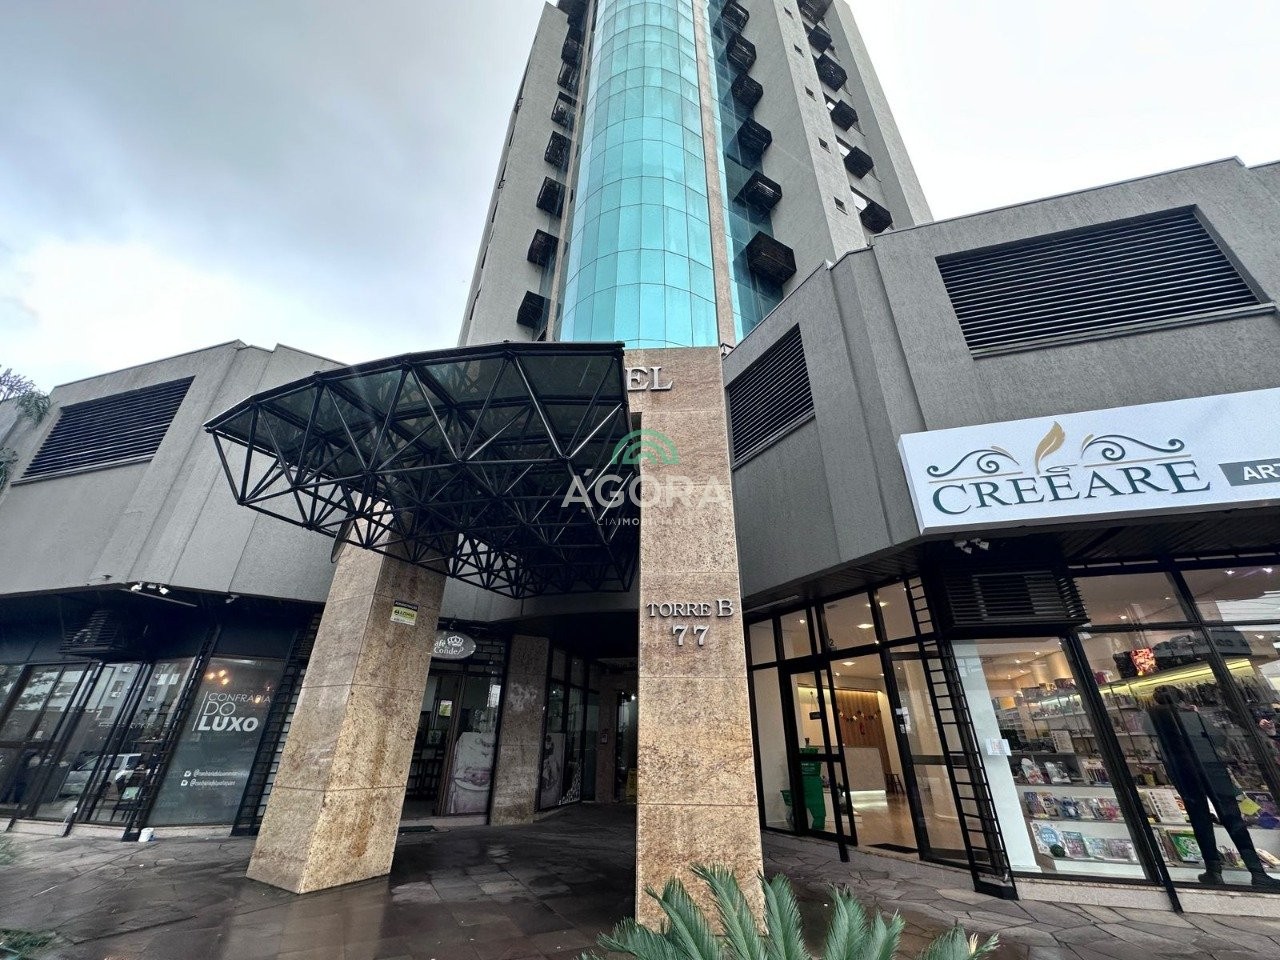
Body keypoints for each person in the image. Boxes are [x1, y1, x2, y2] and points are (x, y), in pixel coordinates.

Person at [1147, 686, 1280, 888]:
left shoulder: (1152, 717)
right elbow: (1219, 739)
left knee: (1199, 819)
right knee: (1232, 817)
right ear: (1180, 698)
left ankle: (1213, 870)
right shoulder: (1190, 715)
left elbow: (1155, 739)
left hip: (1183, 772)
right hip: (1211, 768)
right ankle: (1257, 871)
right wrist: (1196, 715)